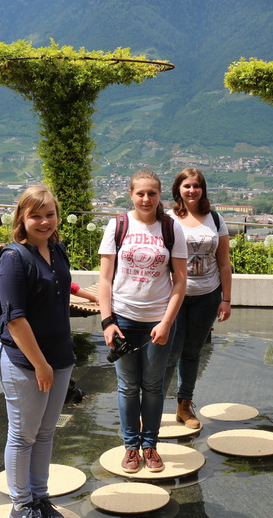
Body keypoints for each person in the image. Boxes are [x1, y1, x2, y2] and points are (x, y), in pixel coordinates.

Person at [98, 169, 187, 473]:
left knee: (153, 386)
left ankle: (150, 445)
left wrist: (166, 323)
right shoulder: (118, 225)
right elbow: (105, 279)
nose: (146, 199)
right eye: (140, 193)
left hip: (157, 321)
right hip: (122, 318)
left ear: (159, 194)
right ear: (131, 195)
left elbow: (180, 282)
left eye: (152, 193)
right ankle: (130, 447)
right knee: (127, 386)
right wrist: (107, 322)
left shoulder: (171, 229)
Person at [0, 185, 73, 518]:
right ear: (22, 218)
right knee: (23, 434)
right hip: (26, 362)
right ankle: (21, 504)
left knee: (45, 432)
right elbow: (14, 319)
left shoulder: (57, 250)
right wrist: (40, 364)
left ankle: (40, 499)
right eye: (36, 215)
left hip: (59, 358)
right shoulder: (13, 258)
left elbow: (60, 289)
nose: (44, 222)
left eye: (50, 214)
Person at [165, 168, 232, 429]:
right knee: (169, 353)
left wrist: (226, 299)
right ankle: (153, 406)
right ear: (178, 190)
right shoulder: (168, 219)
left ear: (202, 189)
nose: (191, 190)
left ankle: (184, 404)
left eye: (196, 185)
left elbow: (224, 263)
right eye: (186, 186)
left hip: (207, 296)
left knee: (192, 352)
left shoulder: (215, 219)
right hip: (174, 297)